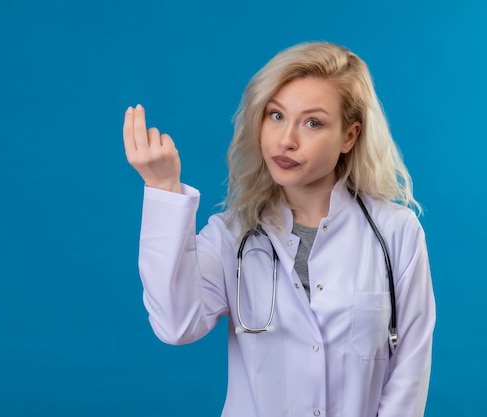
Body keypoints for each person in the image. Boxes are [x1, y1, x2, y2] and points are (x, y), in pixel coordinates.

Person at [123, 41, 436, 417]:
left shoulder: (396, 233)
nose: (286, 140)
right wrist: (163, 191)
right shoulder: (232, 235)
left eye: (313, 122)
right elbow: (176, 324)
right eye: (276, 115)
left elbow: (410, 371)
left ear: (349, 136)